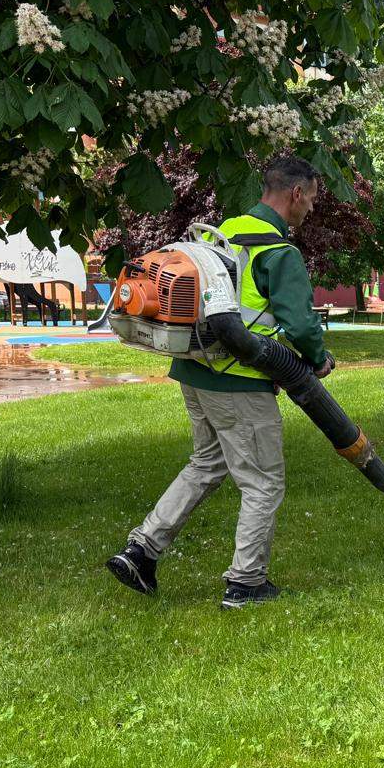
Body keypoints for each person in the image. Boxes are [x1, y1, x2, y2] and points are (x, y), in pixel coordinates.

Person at [106, 156, 335, 610]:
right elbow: (301, 325)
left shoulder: (225, 231)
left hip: (194, 369)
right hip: (239, 381)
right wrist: (317, 359)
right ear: (294, 194)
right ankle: (246, 583)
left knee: (207, 464)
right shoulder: (278, 253)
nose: (310, 207)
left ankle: (141, 551)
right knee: (263, 482)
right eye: (311, 197)